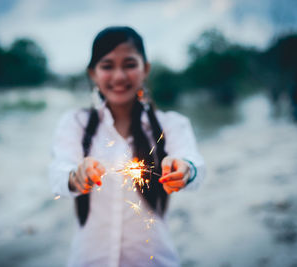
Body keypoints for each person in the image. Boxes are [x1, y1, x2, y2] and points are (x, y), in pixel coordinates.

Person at [49, 26, 205, 267]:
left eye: (130, 64)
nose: (119, 76)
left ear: (146, 69)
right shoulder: (75, 123)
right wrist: (75, 176)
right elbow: (58, 172)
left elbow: (195, 165)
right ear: (93, 73)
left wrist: (185, 169)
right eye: (107, 66)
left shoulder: (172, 124)